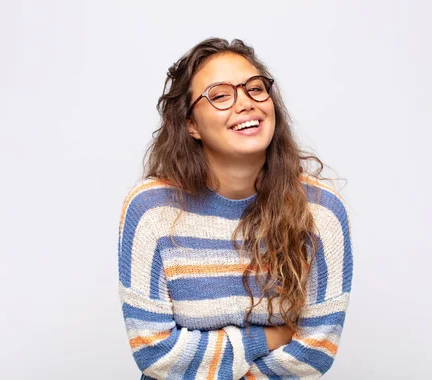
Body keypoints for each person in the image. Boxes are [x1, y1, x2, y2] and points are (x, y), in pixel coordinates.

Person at [117, 37, 353, 379]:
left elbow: (314, 351)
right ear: (191, 124)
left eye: (256, 89)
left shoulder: (321, 211)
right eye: (221, 95)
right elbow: (156, 353)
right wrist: (270, 336)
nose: (246, 104)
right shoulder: (151, 210)